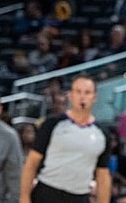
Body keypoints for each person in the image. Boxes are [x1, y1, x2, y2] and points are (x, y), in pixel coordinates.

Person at [20, 75, 112, 203]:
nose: (82, 96)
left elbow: (103, 176)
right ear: (70, 95)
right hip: (46, 192)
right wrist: (24, 197)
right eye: (78, 91)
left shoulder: (102, 134)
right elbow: (31, 163)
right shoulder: (52, 124)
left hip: (79, 196)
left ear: (94, 97)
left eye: (87, 92)